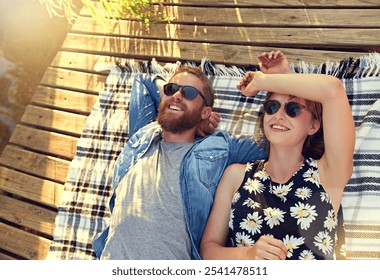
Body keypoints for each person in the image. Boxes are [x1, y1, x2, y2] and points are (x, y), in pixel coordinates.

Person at [92, 65, 268, 260]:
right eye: (171, 89)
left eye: (189, 93)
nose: (177, 95)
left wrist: (274, 80)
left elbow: (270, 142)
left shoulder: (217, 148)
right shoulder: (142, 135)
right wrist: (179, 103)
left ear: (205, 112)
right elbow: (142, 82)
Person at [200, 51, 355, 260]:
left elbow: (333, 90)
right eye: (272, 107)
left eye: (293, 109)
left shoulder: (328, 174)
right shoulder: (236, 176)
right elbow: (208, 250)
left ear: (313, 125)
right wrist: (248, 255)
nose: (279, 115)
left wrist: (266, 81)